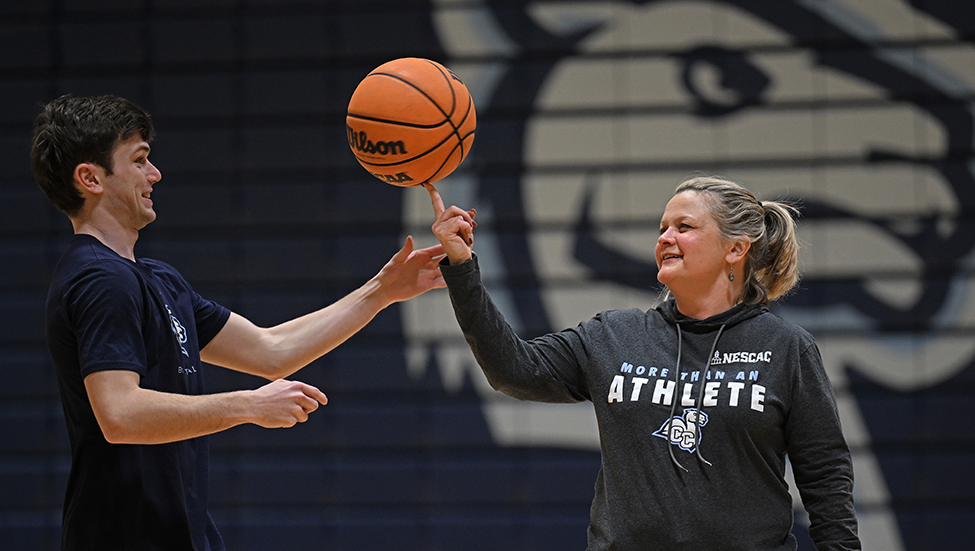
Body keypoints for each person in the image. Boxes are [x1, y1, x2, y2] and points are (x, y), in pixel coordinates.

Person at [31, 94, 447, 551]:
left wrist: (383, 290)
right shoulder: (99, 278)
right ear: (90, 178)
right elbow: (120, 414)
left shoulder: (157, 279)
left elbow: (272, 351)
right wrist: (247, 406)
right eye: (139, 160)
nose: (155, 174)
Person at [424, 176, 860, 550]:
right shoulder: (613, 335)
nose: (664, 238)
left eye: (684, 227)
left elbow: (826, 477)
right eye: (662, 228)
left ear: (735, 249)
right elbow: (513, 370)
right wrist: (462, 266)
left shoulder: (786, 348)